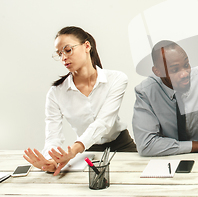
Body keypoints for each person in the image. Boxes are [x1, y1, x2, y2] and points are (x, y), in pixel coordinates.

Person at [24, 26, 136, 175]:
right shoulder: (56, 93)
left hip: (122, 145)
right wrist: (50, 160)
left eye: (68, 50)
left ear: (87, 46)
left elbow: (103, 122)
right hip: (88, 151)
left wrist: (75, 150)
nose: (63, 57)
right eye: (59, 53)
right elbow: (53, 137)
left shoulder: (116, 79)